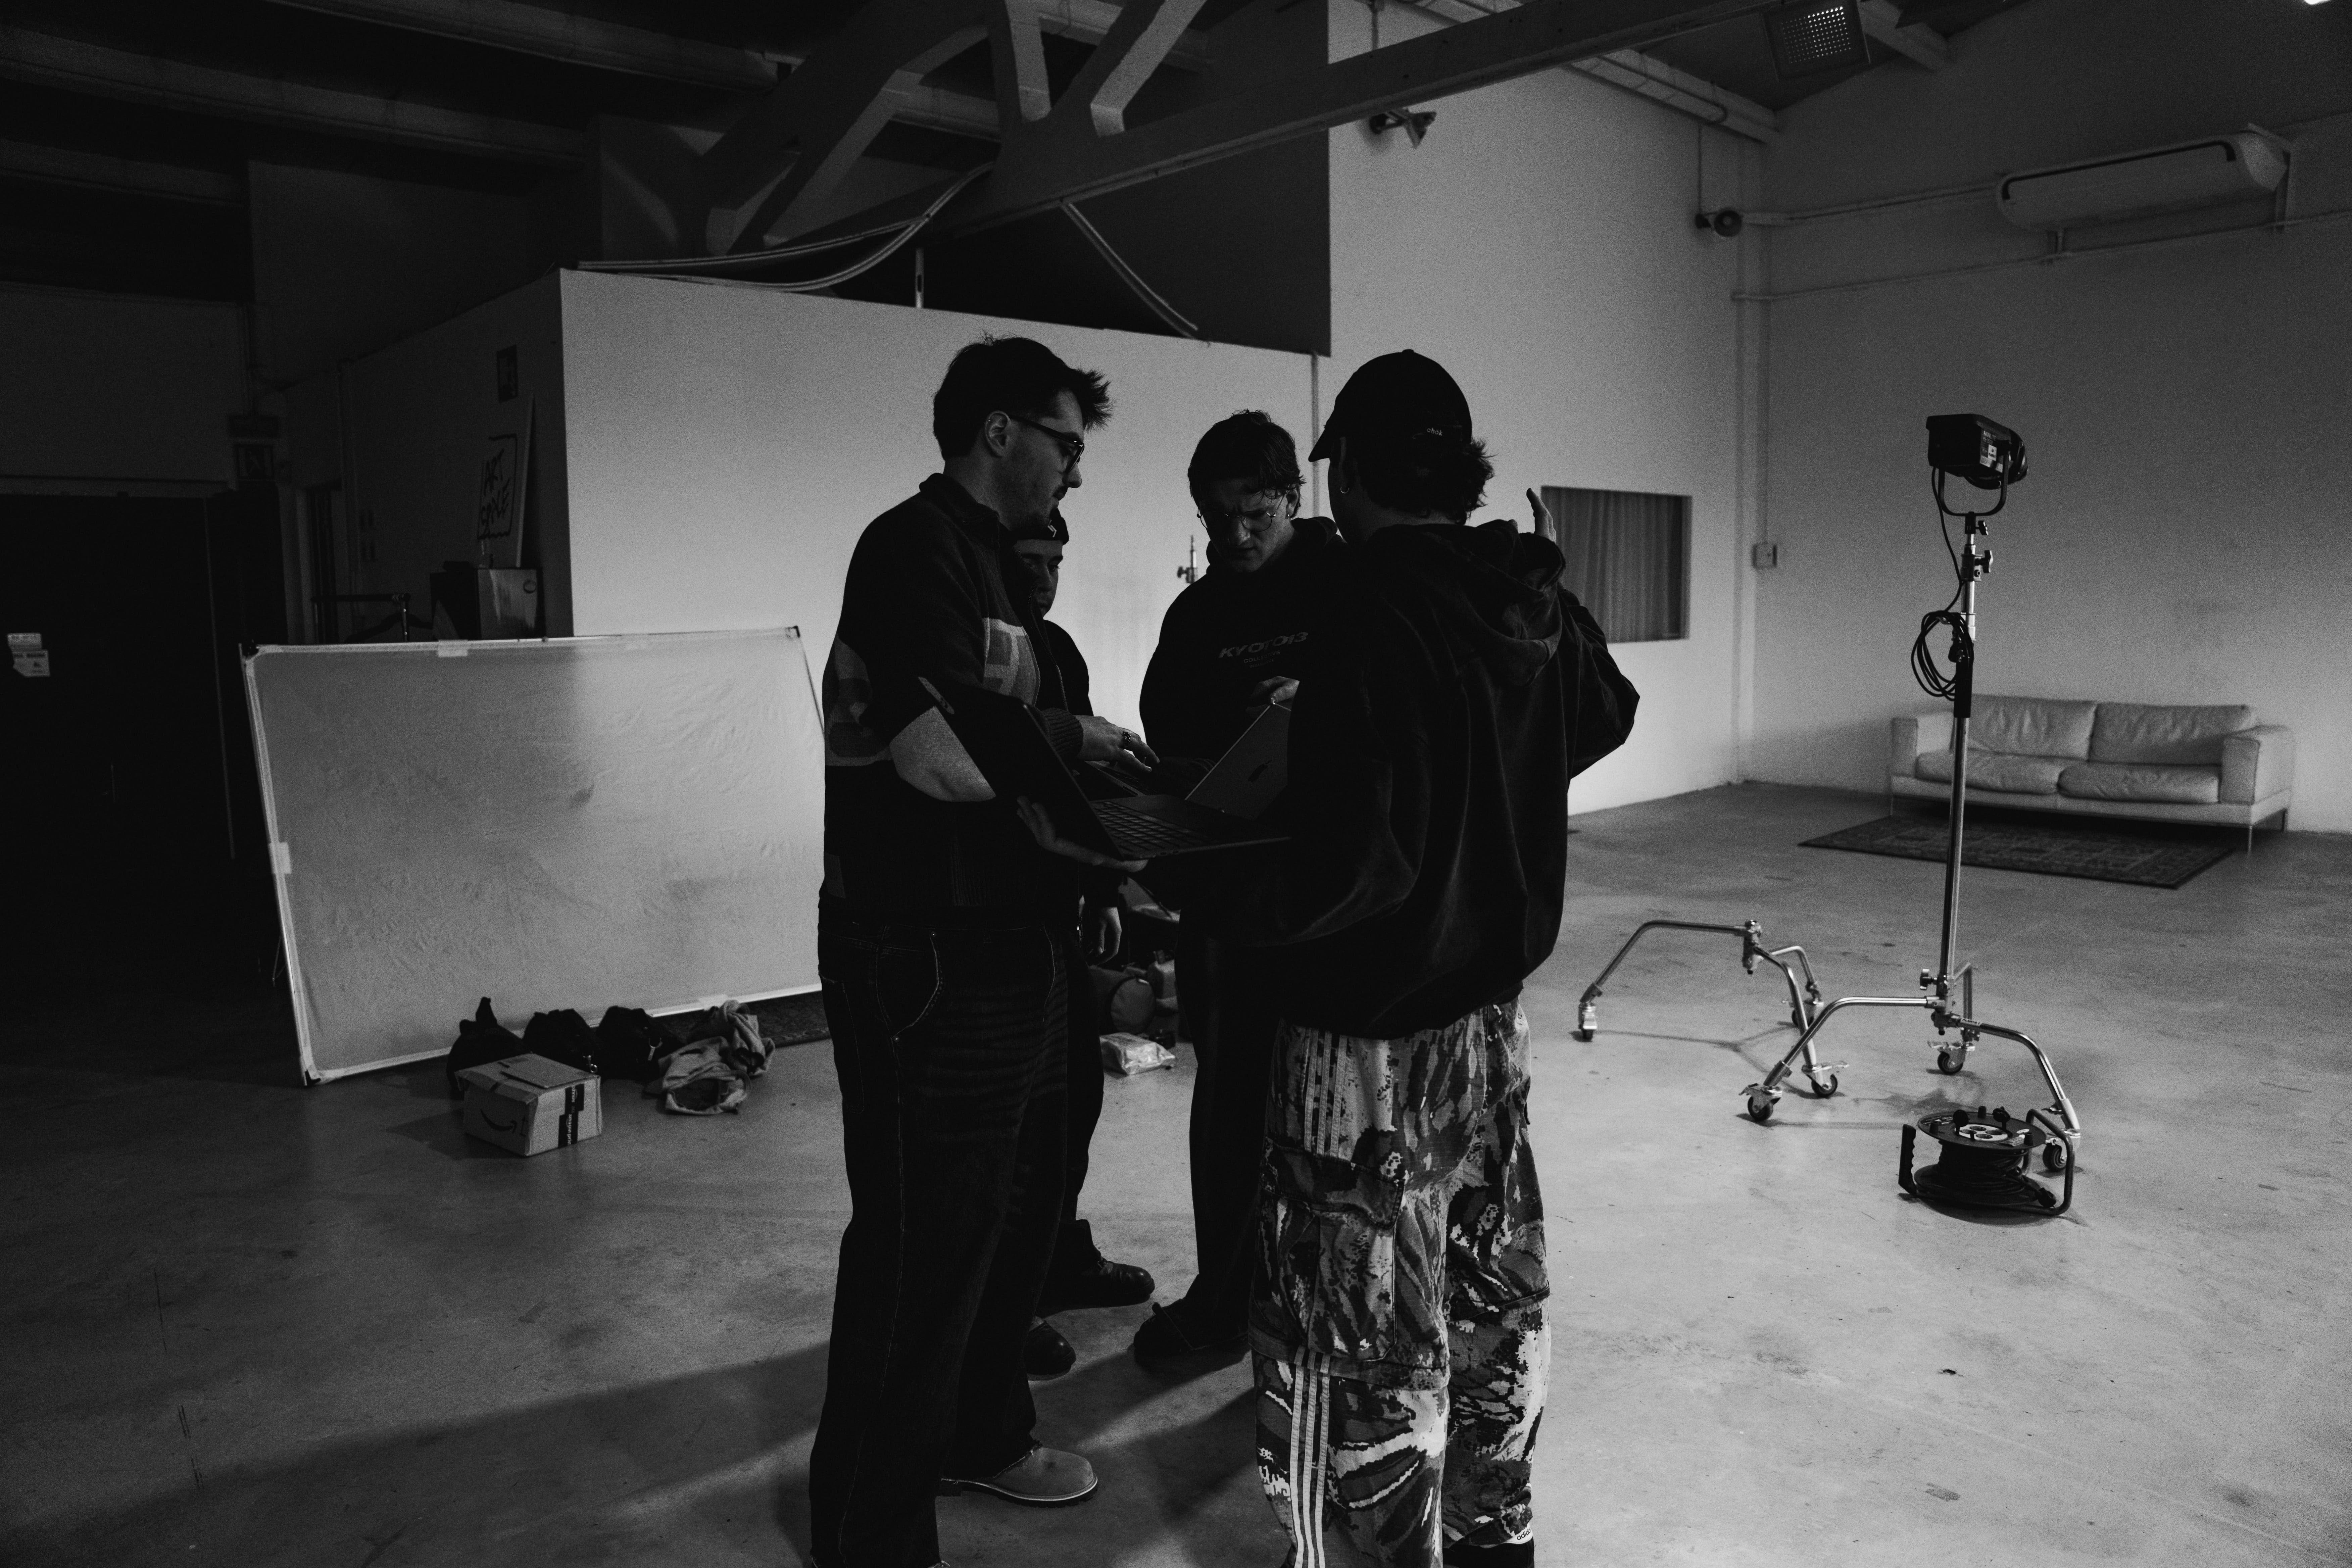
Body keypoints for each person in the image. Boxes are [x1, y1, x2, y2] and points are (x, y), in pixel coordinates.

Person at [1202, 352, 1638, 1568]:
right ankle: (1495, 1542)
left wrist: (1193, 879)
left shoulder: (1369, 605)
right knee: (1490, 1299)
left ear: (1347, 471)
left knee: (1355, 1353)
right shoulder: (1517, 591)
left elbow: (1353, 869)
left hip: (1364, 1052)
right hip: (1488, 1030)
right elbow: (1606, 711)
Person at [806, 336, 1158, 1568]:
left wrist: (1113, 825)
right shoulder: (911, 550)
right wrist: (1077, 768)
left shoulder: (994, 570)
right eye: (1066, 443)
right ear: (999, 431)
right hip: (929, 949)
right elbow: (938, 754)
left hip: (1015, 936)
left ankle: (979, 1432)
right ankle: (869, 1532)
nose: (1075, 471)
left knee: (1016, 1213)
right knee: (923, 1240)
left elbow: (1006, 735)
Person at [1129, 411, 1341, 1371]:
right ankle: (1224, 1298)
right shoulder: (1199, 616)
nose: (1235, 536)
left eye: (1255, 514)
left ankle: (1323, 1313)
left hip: (1334, 893)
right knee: (1228, 1101)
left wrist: (1314, 704)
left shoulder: (1348, 582)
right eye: (1218, 518)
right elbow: (1166, 729)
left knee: (1334, 1107)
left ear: (1294, 496)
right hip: (1231, 887)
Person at [1004, 509, 1158, 1379]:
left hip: (1056, 906)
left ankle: (1058, 1256)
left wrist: (1103, 890)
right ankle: (1008, 1301)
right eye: (1027, 562)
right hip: (991, 918)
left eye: (1054, 563)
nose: (1042, 580)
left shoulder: (1058, 651)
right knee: (1018, 1123)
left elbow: (1078, 781)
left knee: (1075, 1100)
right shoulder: (980, 656)